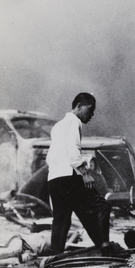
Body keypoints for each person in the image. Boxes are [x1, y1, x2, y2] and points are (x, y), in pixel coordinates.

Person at [46, 92, 113, 255]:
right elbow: (73, 150)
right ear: (79, 106)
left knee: (62, 219)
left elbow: (54, 154)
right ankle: (105, 247)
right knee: (102, 206)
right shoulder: (74, 122)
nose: (92, 115)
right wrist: (85, 173)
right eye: (90, 110)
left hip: (54, 178)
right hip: (70, 176)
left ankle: (55, 255)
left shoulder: (58, 126)